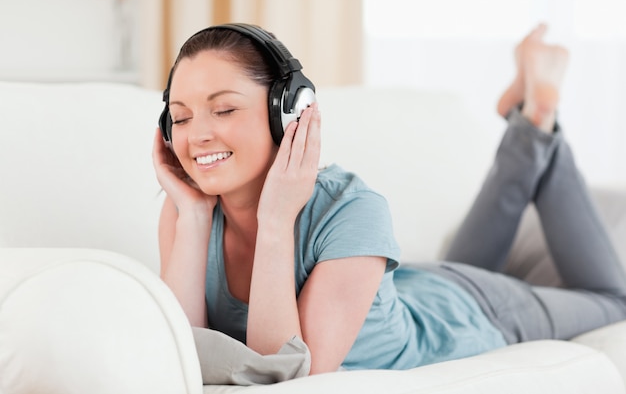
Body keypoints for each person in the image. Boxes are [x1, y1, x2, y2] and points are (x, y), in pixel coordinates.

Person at [152, 22, 626, 376]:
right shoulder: (187, 212)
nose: (197, 136)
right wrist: (192, 218)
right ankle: (529, 120)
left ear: (289, 111)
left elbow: (286, 375)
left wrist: (277, 223)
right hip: (406, 289)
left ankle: (539, 118)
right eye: (182, 116)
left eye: (224, 109)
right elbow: (181, 357)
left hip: (471, 311)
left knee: (614, 300)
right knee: (455, 268)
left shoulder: (352, 209)